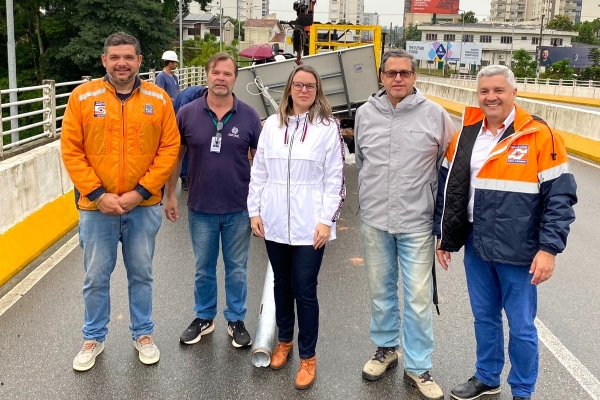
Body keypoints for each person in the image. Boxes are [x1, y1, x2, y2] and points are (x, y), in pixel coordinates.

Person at [434, 65, 577, 400]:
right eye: (484, 91)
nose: (491, 97)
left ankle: (522, 391)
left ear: (514, 93)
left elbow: (560, 198)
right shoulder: (466, 135)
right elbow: (449, 187)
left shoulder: (540, 135)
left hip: (520, 249)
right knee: (484, 317)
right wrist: (445, 236)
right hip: (477, 243)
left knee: (522, 325)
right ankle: (487, 377)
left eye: (499, 90)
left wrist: (549, 249)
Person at [61, 32, 180, 371]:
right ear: (104, 60)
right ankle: (93, 337)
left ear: (139, 61)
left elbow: (169, 149)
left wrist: (140, 192)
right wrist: (98, 195)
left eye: (128, 57)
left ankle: (143, 334)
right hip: (96, 209)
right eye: (114, 57)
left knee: (141, 274)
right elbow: (71, 149)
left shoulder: (158, 99)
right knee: (95, 277)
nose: (121, 63)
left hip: (142, 207)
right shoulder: (82, 97)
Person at [354, 49, 454, 400]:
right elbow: (363, 161)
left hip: (417, 223)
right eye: (391, 73)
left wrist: (444, 225)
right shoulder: (365, 113)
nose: (398, 78)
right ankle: (385, 348)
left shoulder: (435, 115)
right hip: (375, 221)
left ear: (415, 76)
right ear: (381, 76)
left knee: (418, 299)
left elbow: (448, 169)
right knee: (381, 291)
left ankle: (418, 365)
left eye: (405, 73)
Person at [247, 65, 346, 390]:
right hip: (274, 221)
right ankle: (284, 341)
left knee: (304, 288)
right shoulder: (271, 126)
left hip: (310, 225)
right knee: (281, 285)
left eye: (311, 86)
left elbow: (335, 179)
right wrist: (254, 211)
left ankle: (308, 356)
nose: (304, 90)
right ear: (289, 88)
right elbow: (259, 171)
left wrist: (326, 220)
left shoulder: (327, 128)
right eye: (299, 85)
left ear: (317, 91)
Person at [164, 53, 262, 349]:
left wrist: (260, 207)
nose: (221, 78)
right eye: (216, 72)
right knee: (203, 268)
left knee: (237, 269)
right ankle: (204, 317)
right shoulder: (187, 113)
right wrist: (170, 195)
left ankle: (236, 319)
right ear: (207, 75)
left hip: (238, 208)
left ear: (235, 78)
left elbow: (261, 165)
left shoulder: (249, 116)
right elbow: (175, 157)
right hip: (201, 207)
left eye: (227, 73)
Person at [173, 85, 208, 191]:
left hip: (193, 111)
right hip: (177, 111)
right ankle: (184, 177)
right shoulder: (188, 97)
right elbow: (183, 116)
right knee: (184, 146)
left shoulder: (206, 94)